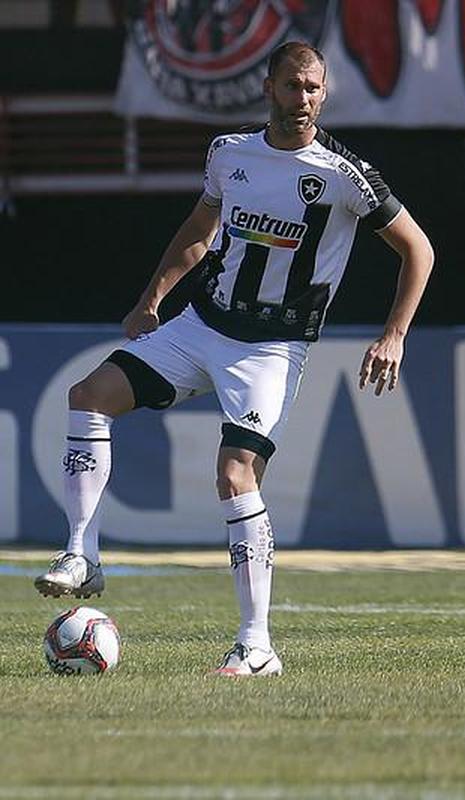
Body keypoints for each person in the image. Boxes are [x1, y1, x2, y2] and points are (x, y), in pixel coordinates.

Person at [34, 41, 435, 677]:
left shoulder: (342, 173)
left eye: (315, 89)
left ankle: (256, 646)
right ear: (268, 86)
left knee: (235, 474)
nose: (305, 99)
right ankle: (82, 553)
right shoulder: (229, 155)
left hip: (272, 349)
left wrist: (396, 335)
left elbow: (419, 249)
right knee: (88, 396)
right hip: (201, 326)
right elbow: (199, 232)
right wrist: (151, 300)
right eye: (293, 86)